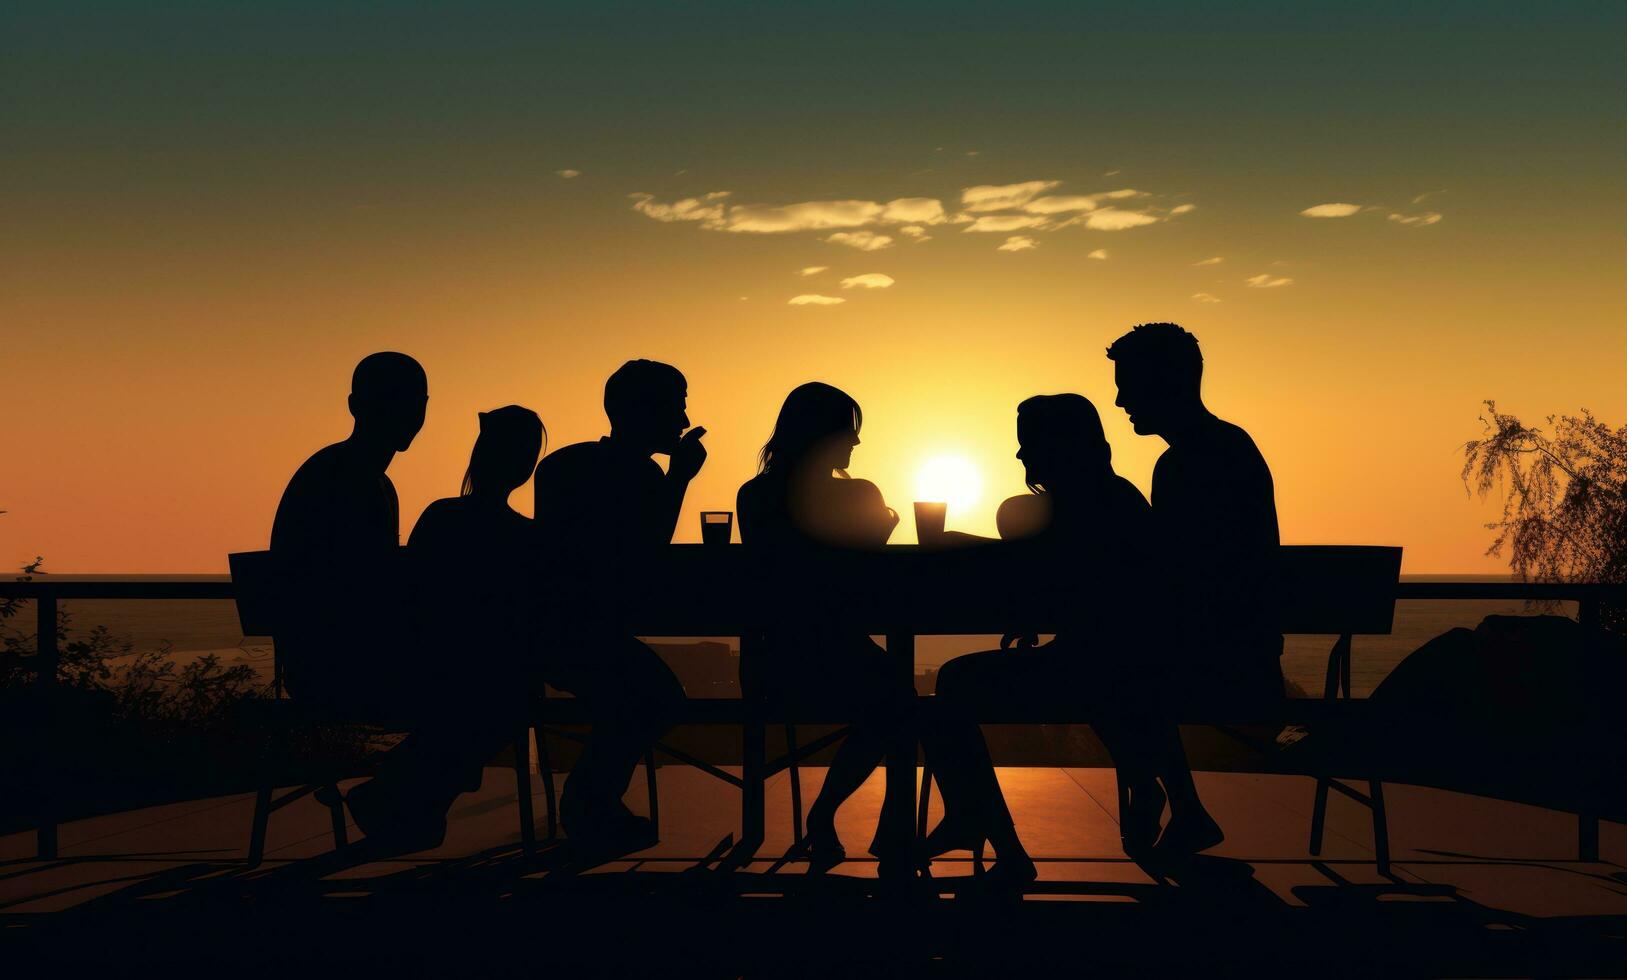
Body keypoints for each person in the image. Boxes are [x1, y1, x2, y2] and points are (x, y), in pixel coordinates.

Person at [918, 394, 1158, 887]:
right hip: (1118, 663)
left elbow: (1043, 569)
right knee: (956, 681)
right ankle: (984, 829)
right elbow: (1060, 575)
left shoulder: (1088, 502)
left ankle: (994, 838)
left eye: (1028, 444)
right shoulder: (1111, 495)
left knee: (954, 683)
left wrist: (953, 543)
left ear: (1059, 445)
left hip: (1097, 669)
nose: (1020, 456)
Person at [1106, 321, 1285, 856]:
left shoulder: (1189, 463)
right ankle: (1179, 806)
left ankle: (1173, 802)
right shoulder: (1228, 448)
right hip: (1247, 653)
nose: (1118, 400)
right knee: (1109, 661)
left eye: (1128, 384)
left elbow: (1178, 578)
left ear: (1167, 382)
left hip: (1222, 660)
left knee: (1103, 669)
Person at [270, 351, 452, 848]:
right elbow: (364, 596)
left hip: (325, 661)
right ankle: (397, 795)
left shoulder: (350, 475)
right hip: (340, 667)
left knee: (486, 682)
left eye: (416, 402)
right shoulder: (352, 482)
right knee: (489, 688)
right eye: (397, 401)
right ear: (356, 405)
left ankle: (401, 795)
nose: (410, 414)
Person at [736, 382, 914, 873]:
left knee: (894, 698)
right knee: (899, 701)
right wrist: (881, 531)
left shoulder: (754, 497)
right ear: (824, 435)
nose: (856, 443)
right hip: (841, 654)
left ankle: (827, 819)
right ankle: (839, 818)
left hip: (771, 664)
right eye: (849, 432)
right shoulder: (860, 494)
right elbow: (857, 583)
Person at [532, 359, 702, 853]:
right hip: (576, 633)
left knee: (638, 696)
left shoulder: (563, 465)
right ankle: (589, 803)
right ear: (640, 410)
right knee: (657, 698)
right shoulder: (640, 475)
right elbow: (647, 551)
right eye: (677, 404)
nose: (684, 418)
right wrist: (680, 480)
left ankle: (592, 802)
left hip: (554, 629)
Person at [402, 405, 549, 809]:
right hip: (470, 676)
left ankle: (411, 793)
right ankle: (409, 793)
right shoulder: (524, 535)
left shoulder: (440, 516)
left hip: (426, 662)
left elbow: (412, 595)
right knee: (508, 700)